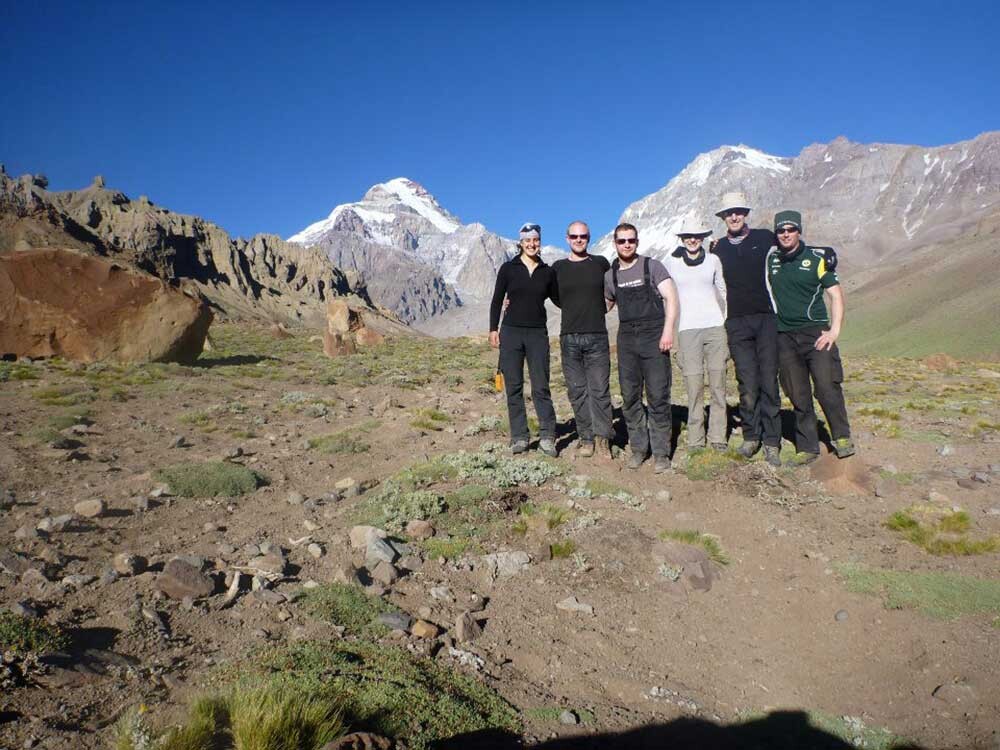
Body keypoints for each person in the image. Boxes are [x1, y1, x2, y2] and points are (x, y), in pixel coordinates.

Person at [766, 210, 855, 464]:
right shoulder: (771, 259)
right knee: (797, 393)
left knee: (827, 387)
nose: (785, 234)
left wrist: (834, 330)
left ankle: (842, 437)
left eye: (790, 230)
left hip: (816, 333)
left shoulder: (817, 259)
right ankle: (807, 447)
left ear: (799, 231)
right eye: (781, 231)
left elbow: (835, 295)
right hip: (784, 336)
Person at [711, 192, 782, 467]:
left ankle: (773, 441)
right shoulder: (716, 248)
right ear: (723, 218)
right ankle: (752, 437)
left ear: (745, 213)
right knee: (747, 382)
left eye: (738, 211)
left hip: (766, 318)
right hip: (736, 322)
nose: (734, 216)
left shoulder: (765, 238)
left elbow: (792, 244)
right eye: (729, 213)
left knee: (768, 380)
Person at [604, 223, 679, 473]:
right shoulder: (611, 275)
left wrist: (668, 330)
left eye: (631, 241)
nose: (627, 245)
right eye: (622, 241)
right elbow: (605, 305)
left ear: (637, 241)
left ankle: (660, 453)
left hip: (654, 336)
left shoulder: (652, 266)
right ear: (615, 243)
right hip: (626, 339)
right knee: (630, 397)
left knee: (658, 395)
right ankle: (639, 449)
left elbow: (671, 297)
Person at [489, 222, 559, 456]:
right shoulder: (508, 269)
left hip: (537, 333)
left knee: (541, 386)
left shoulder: (547, 272)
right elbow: (497, 300)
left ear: (539, 242)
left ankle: (548, 436)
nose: (532, 244)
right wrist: (493, 329)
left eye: (536, 240)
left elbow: (560, 299)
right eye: (527, 240)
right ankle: (519, 437)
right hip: (511, 333)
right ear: (520, 243)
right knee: (514, 387)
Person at [664, 217, 728, 452]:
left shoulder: (713, 260)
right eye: (687, 235)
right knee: (694, 385)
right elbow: (666, 294)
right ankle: (695, 439)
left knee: (718, 383)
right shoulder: (671, 262)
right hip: (687, 330)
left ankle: (718, 436)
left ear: (703, 238)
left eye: (697, 235)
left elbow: (722, 289)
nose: (692, 239)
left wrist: (724, 320)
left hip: (714, 327)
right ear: (681, 238)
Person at [551, 221, 614, 460]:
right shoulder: (558, 267)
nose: (579, 240)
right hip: (569, 337)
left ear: (589, 238)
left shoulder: (600, 263)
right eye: (574, 236)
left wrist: (599, 309)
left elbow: (611, 292)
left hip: (597, 336)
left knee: (599, 389)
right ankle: (586, 438)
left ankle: (603, 440)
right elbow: (553, 295)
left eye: (584, 236)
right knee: (577, 391)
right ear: (567, 238)